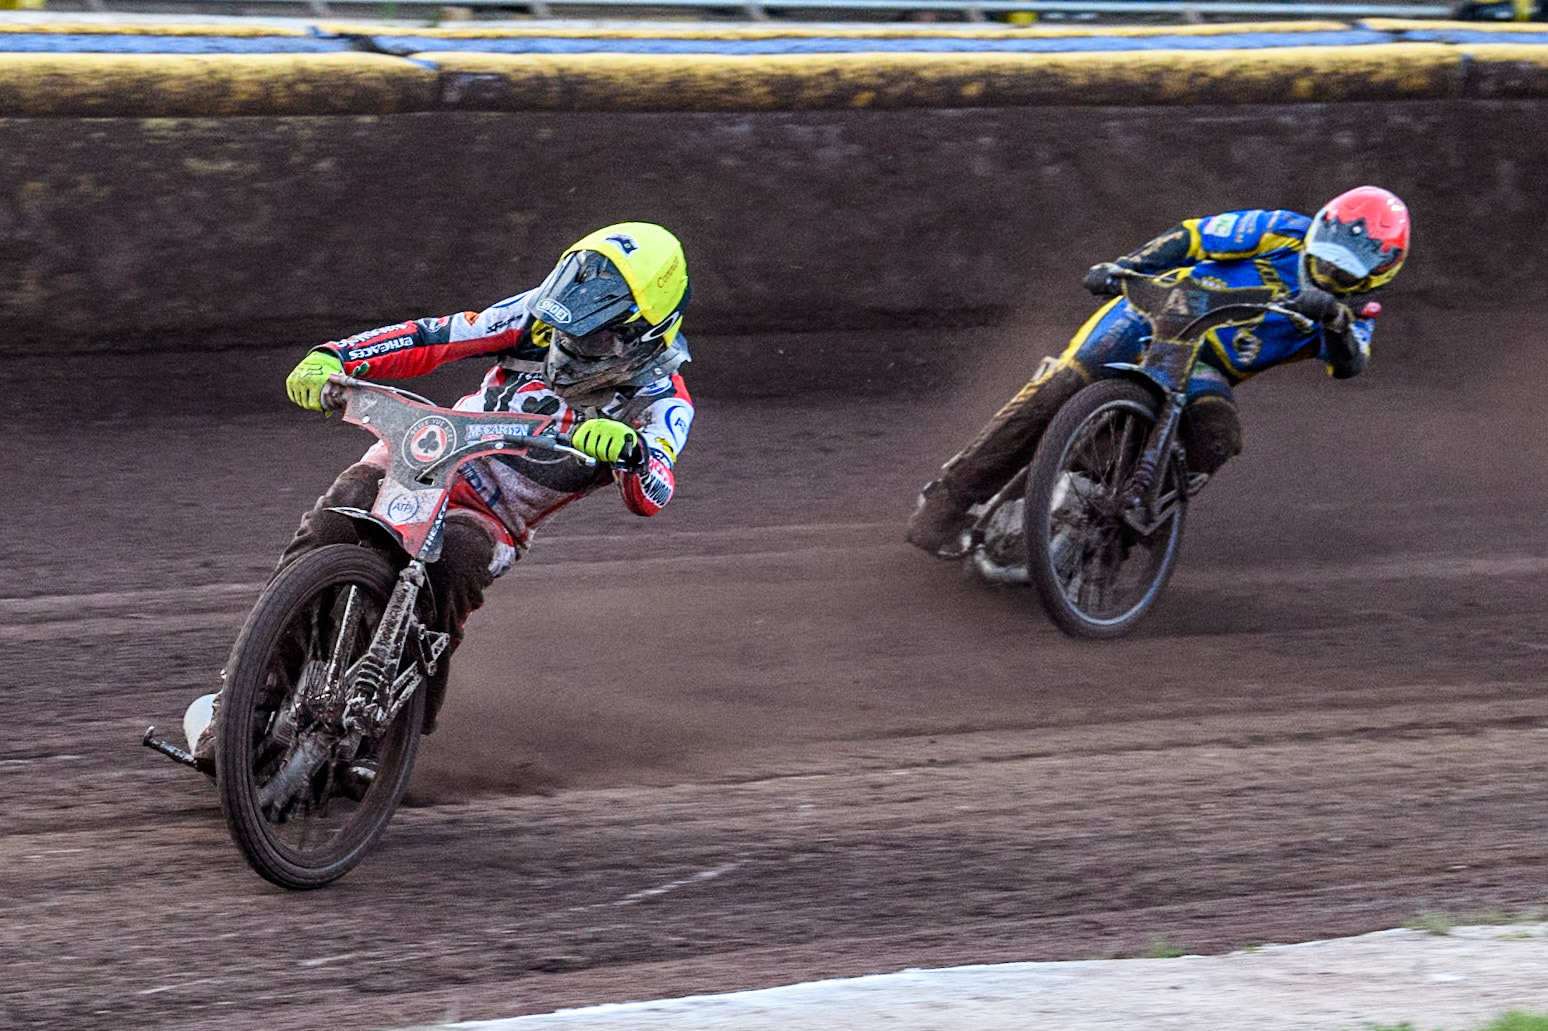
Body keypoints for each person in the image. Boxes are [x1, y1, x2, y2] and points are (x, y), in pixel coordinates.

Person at [183, 222, 695, 761]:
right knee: (340, 512)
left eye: (591, 338)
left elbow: (653, 490)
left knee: (457, 560)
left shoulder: (663, 400)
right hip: (422, 457)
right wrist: (335, 357)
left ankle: (384, 741)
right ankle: (243, 704)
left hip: (492, 516)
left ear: (646, 336)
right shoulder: (535, 317)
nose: (565, 344)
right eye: (560, 325)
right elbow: (434, 337)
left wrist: (632, 454)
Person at [905, 186, 1411, 556]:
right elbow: (1193, 237)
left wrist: (1336, 320)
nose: (1325, 271)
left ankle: (1105, 530)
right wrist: (1128, 265)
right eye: (1324, 255)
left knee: (1218, 435)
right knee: (1062, 388)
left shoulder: (1356, 315)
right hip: (1158, 314)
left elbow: (1350, 365)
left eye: (1342, 272)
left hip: (1208, 365)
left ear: (1379, 271)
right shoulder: (1279, 229)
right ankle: (949, 500)